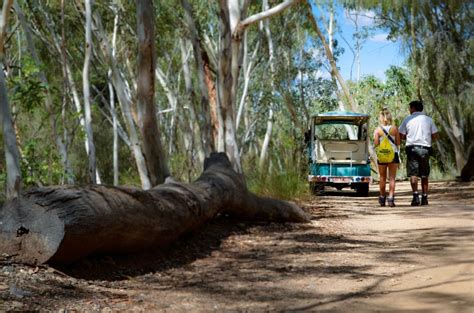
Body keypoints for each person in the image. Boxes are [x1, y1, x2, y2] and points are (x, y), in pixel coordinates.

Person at [399, 100, 439, 206]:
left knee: (413, 174)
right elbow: (435, 135)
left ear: (413, 108)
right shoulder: (429, 120)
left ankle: (416, 196)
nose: (409, 110)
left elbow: (401, 136)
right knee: (424, 175)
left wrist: (409, 136)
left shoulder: (407, 119)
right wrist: (427, 139)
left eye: (410, 108)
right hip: (425, 149)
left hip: (412, 149)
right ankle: (425, 198)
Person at [374, 108, 400, 207]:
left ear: (381, 117)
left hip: (382, 156)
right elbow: (398, 143)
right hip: (393, 155)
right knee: (392, 178)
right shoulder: (395, 129)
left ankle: (382, 198)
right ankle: (391, 198)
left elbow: (376, 144)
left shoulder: (378, 130)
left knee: (382, 178)